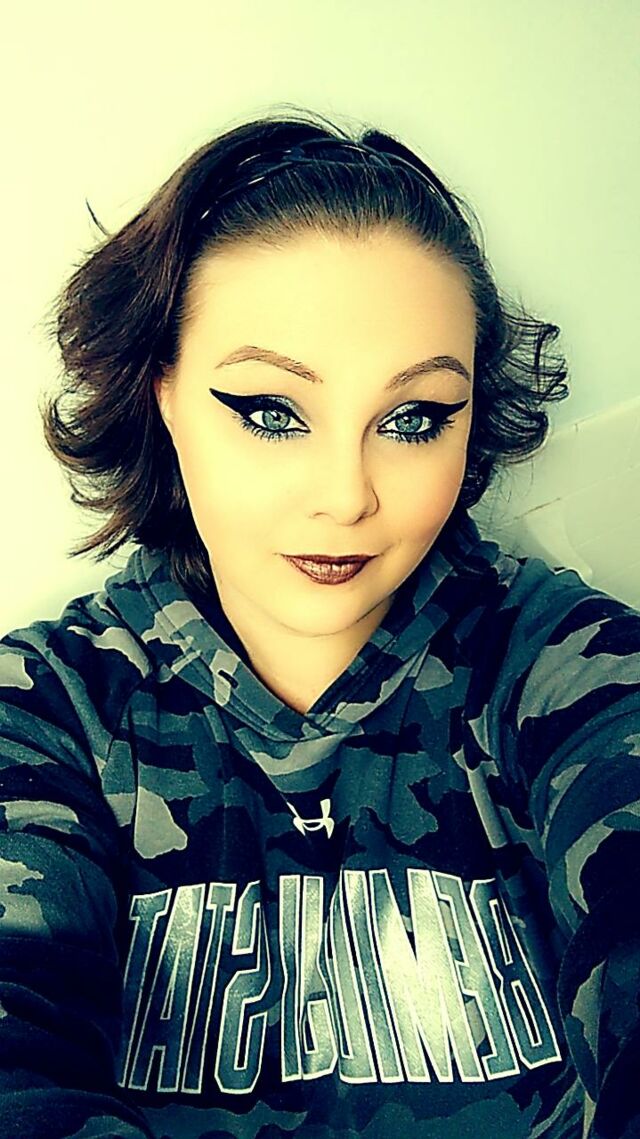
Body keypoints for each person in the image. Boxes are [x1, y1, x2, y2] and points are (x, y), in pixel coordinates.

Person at [0, 104, 638, 1139]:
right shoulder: (44, 714)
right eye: (271, 411)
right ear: (164, 393)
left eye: (412, 418)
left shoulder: (570, 667)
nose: (347, 495)